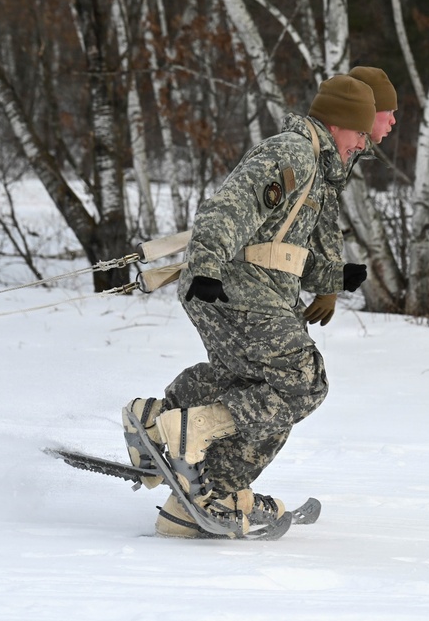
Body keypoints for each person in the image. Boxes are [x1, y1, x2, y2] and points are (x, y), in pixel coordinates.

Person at [121, 75, 377, 538]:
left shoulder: (316, 167)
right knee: (303, 382)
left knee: (256, 389)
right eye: (360, 132)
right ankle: (191, 429)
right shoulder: (293, 153)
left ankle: (168, 441)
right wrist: (205, 266)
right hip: (233, 288)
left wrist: (334, 278)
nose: (362, 143)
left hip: (252, 288)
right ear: (338, 124)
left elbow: (278, 249)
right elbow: (227, 208)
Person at [304, 66, 399, 327]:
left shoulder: (349, 146)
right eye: (388, 112)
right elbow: (322, 219)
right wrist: (329, 284)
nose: (393, 121)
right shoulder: (326, 147)